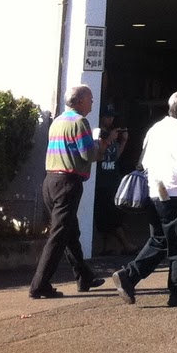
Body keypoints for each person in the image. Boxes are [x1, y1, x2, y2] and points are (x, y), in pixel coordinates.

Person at [114, 89, 177, 307]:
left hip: (155, 191)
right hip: (175, 194)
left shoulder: (156, 129)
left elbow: (145, 161)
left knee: (160, 240)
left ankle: (129, 276)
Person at [29, 84, 114, 299]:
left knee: (70, 232)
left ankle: (84, 276)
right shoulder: (80, 122)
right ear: (80, 101)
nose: (92, 102)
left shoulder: (57, 121)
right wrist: (102, 145)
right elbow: (88, 154)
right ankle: (39, 285)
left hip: (51, 180)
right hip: (68, 182)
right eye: (90, 99)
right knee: (59, 235)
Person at [93, 101, 135, 255]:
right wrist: (109, 138)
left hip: (112, 179)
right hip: (101, 181)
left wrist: (123, 141)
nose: (110, 120)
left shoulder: (111, 135)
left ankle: (107, 247)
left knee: (113, 214)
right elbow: (98, 154)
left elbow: (114, 156)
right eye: (107, 116)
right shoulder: (97, 134)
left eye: (112, 117)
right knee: (108, 215)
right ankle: (125, 245)